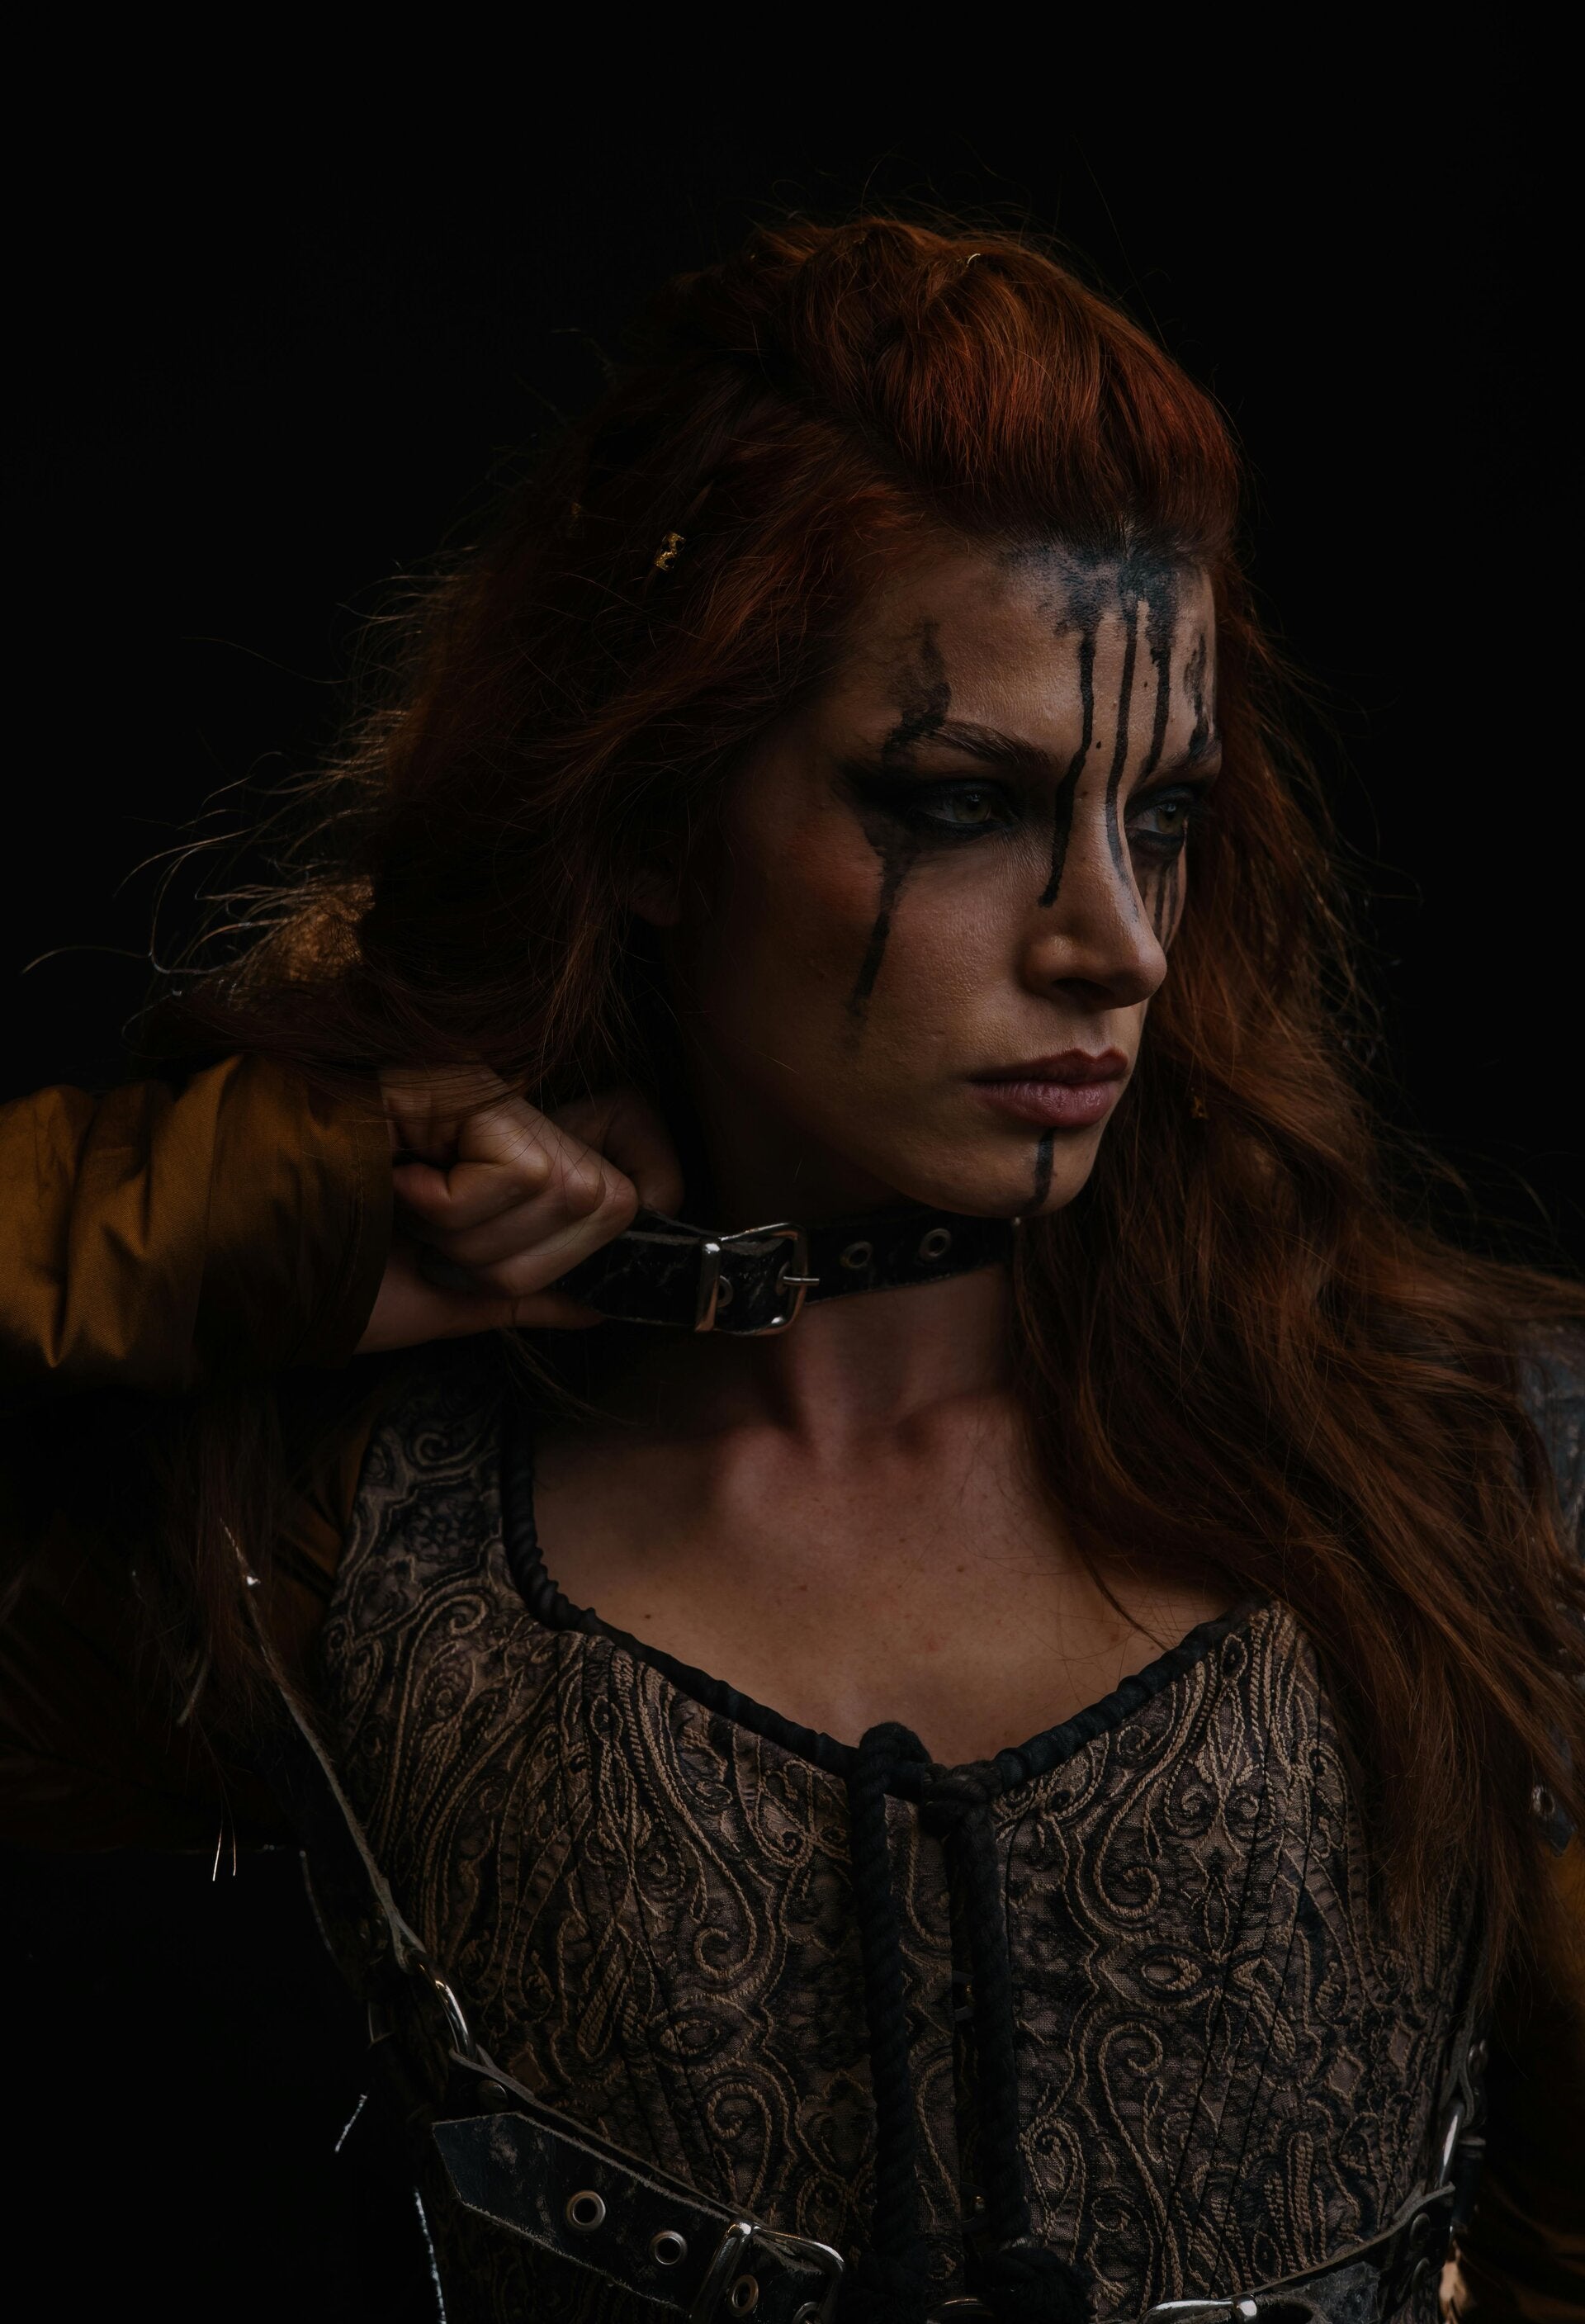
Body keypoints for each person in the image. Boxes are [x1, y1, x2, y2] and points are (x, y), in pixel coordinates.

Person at [2, 216, 1581, 2324]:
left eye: (1163, 814)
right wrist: (265, 1216)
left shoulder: (1477, 1462)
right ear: (659, 815)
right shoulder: (348, 1512)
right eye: (959, 801)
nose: (1115, 943)